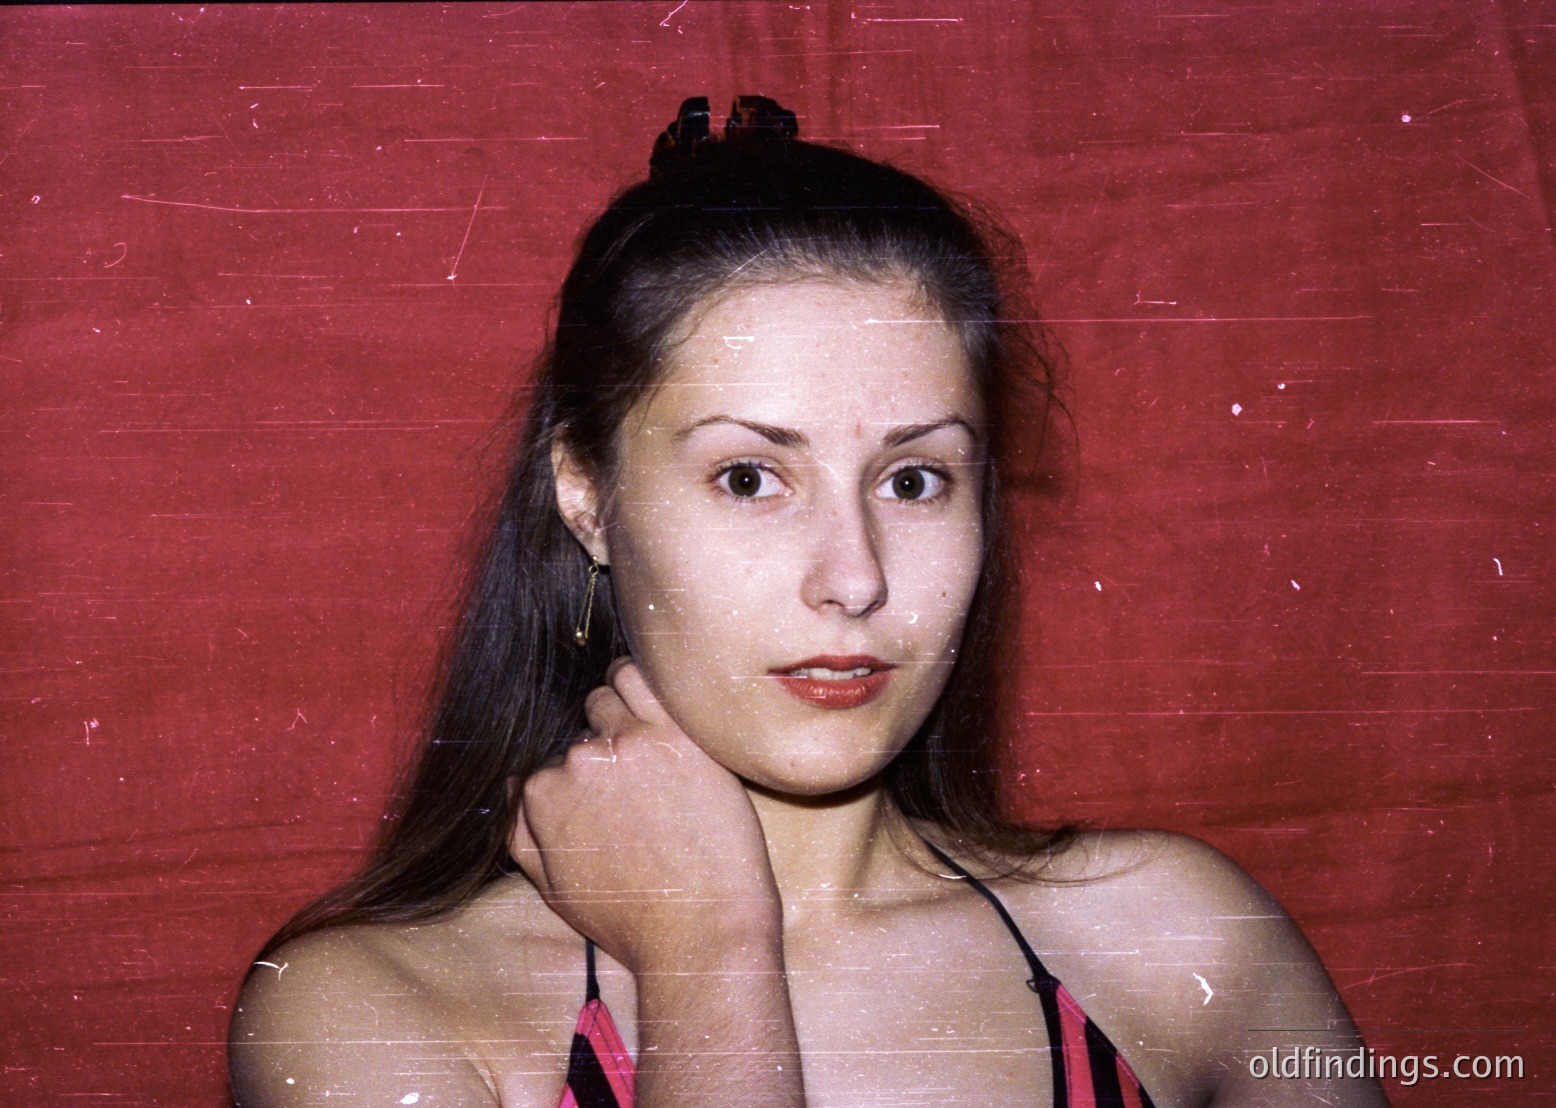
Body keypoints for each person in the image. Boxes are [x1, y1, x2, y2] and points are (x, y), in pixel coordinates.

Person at [229, 97, 1385, 1107]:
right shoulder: (371, 1013)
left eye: (914, 478)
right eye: (748, 477)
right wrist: (707, 959)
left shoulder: (1180, 942)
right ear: (586, 497)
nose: (856, 577)